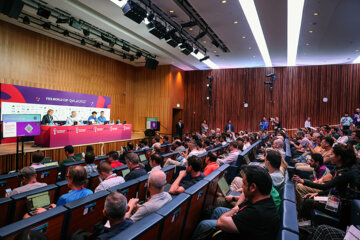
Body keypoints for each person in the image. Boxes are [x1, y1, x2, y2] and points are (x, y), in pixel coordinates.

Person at [192, 166, 280, 240]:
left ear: (253, 187)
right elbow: (240, 207)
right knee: (218, 210)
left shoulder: (257, 212)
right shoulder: (263, 199)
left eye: (244, 184)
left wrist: (232, 213)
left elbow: (221, 222)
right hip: (242, 221)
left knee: (203, 224)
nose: (242, 187)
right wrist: (235, 209)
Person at [296, 144, 360, 227]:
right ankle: (305, 223)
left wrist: (303, 181)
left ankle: (305, 226)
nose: (330, 156)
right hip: (336, 200)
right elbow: (333, 188)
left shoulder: (345, 173)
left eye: (332, 154)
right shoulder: (340, 167)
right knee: (309, 198)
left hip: (341, 208)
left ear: (339, 157)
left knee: (308, 202)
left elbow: (325, 186)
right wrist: (318, 194)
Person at [24, 166, 93, 218]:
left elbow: (57, 217)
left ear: (71, 179)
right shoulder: (90, 192)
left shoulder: (64, 198)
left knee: (26, 216)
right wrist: (56, 207)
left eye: (67, 176)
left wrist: (45, 211)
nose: (67, 178)